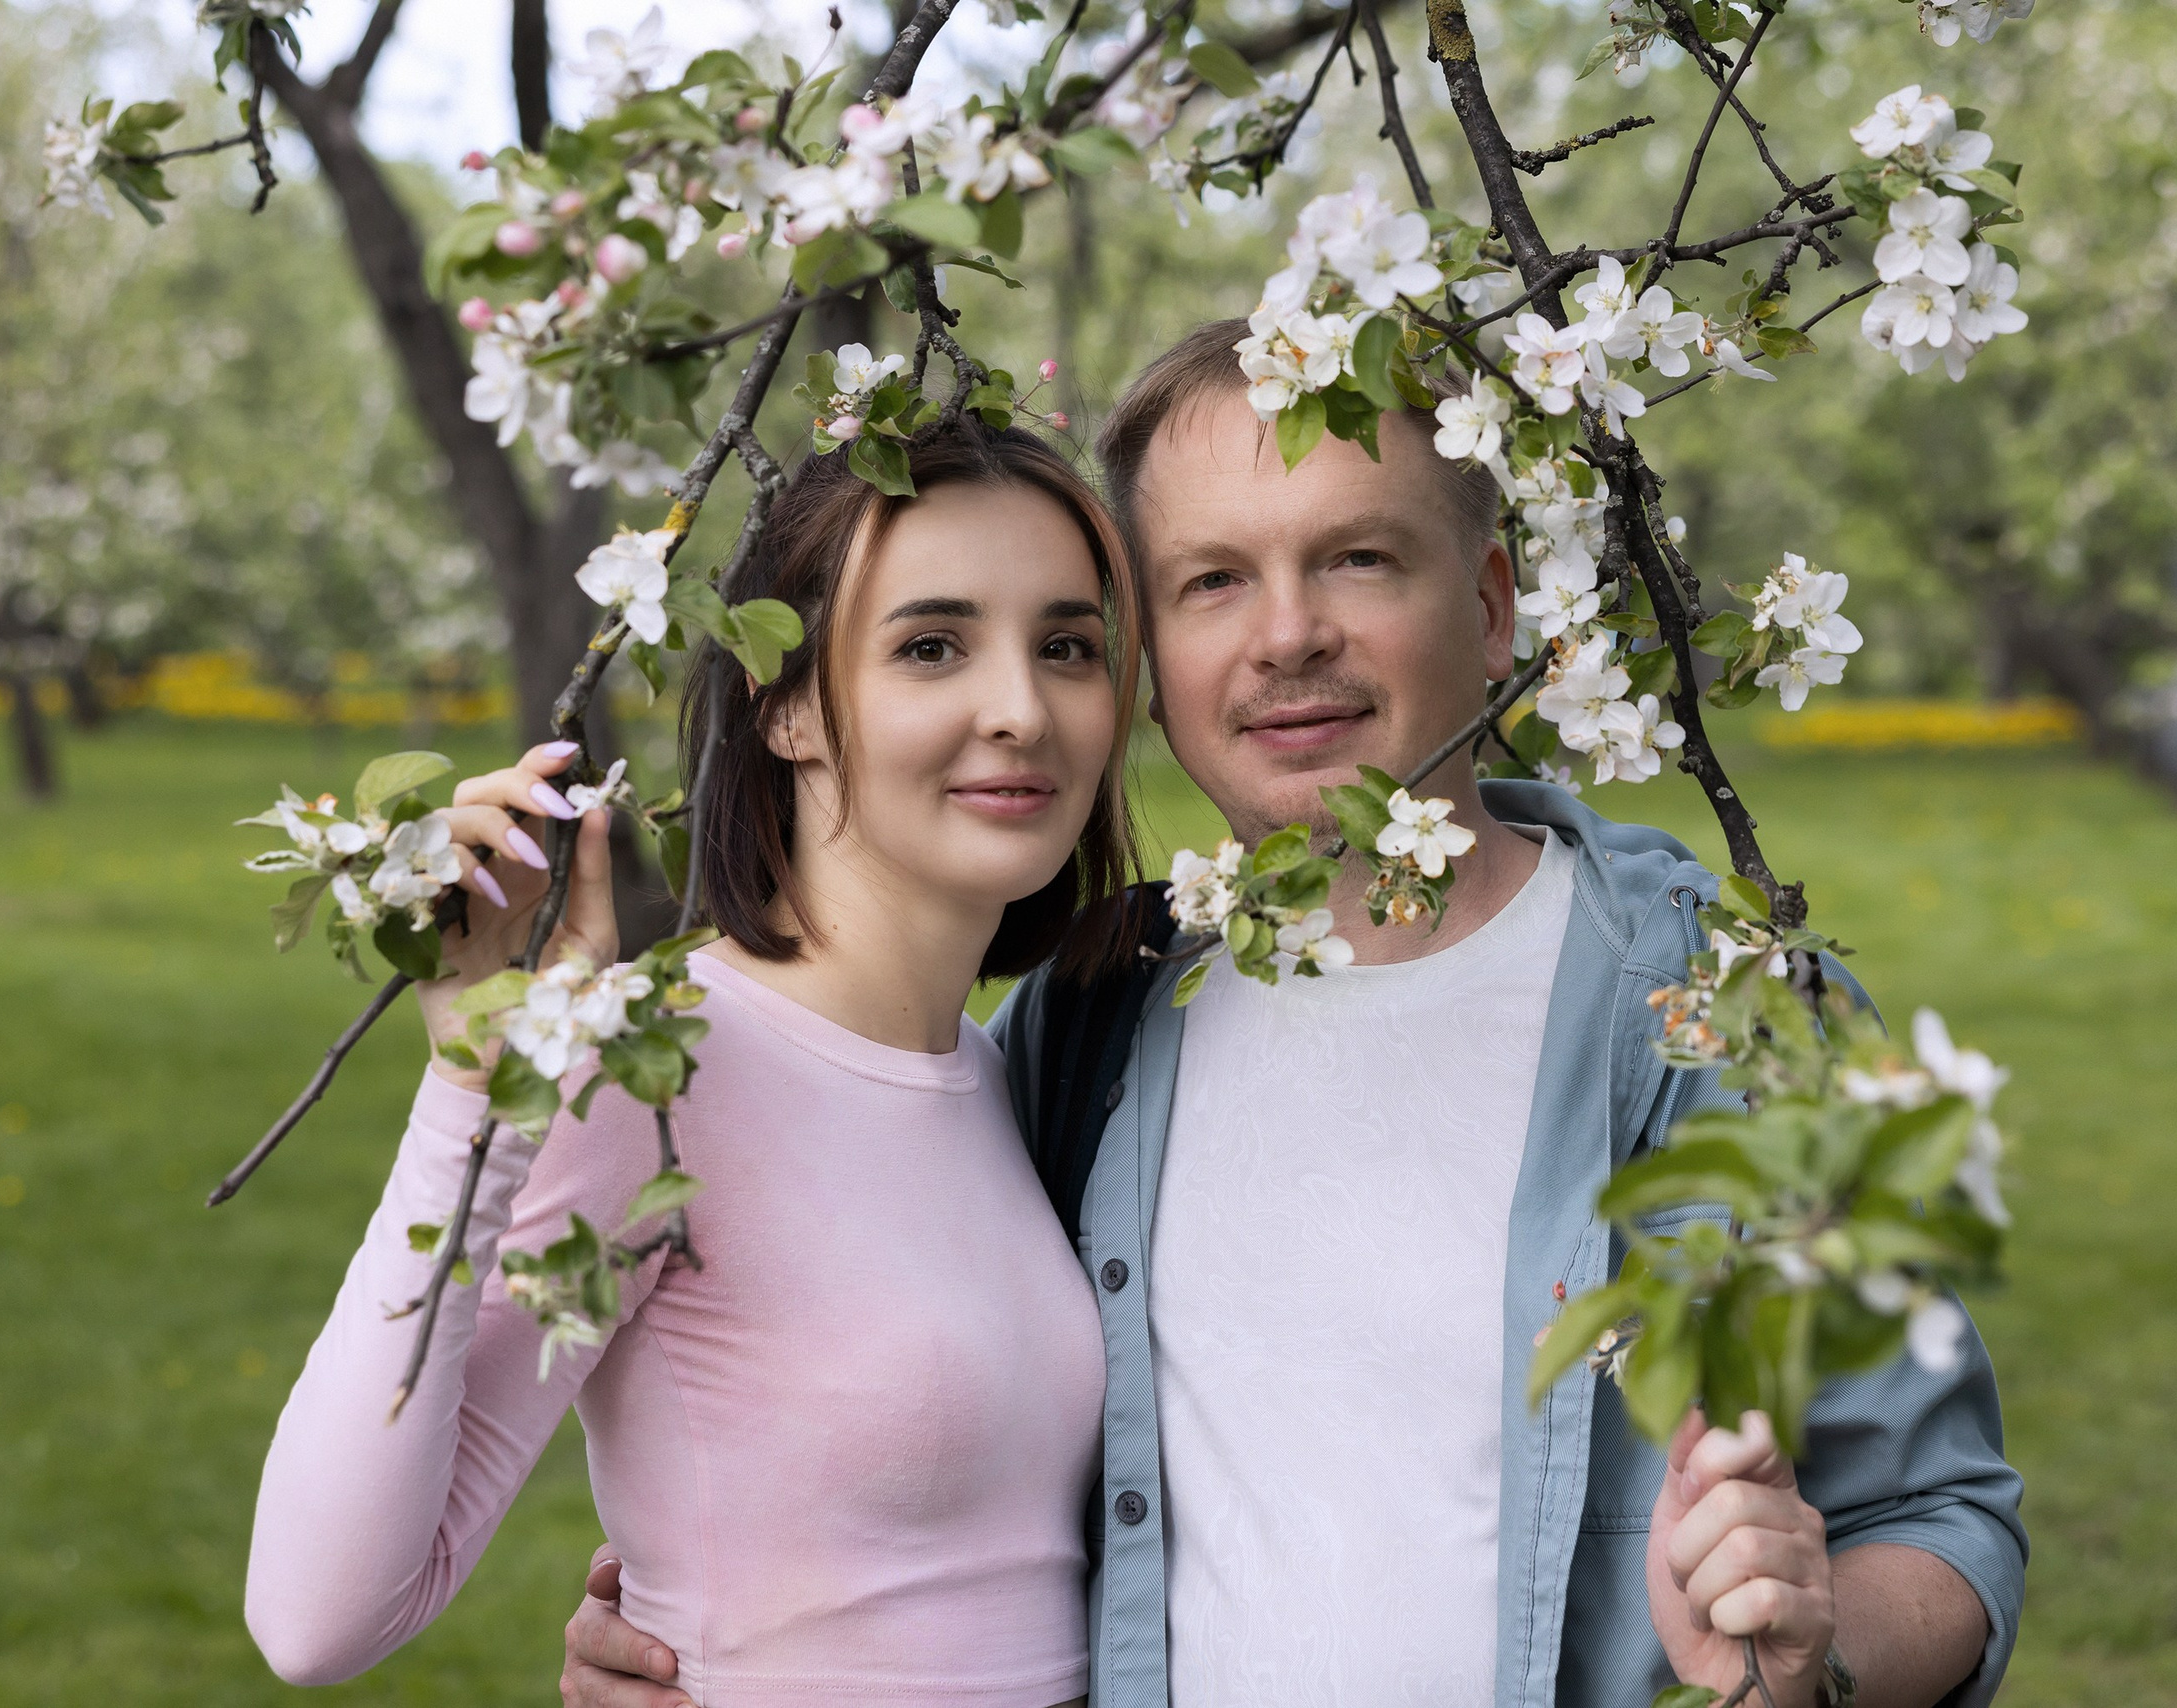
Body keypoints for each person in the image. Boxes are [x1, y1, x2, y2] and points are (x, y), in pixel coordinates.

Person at [568, 324, 2029, 1708]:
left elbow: (1947, 1524)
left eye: (1359, 558)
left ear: (1496, 602)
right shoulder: (1084, 1024)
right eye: (1208, 582)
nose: (1286, 637)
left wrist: (1808, 1654)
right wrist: (698, 1625)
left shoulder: (1722, 1016)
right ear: (1146, 660)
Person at [244, 416, 1149, 1708]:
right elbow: (315, 1614)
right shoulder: (656, 1073)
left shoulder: (1012, 1077)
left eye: (1066, 646)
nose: (1021, 709)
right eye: (932, 646)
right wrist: (473, 1093)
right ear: (786, 707)